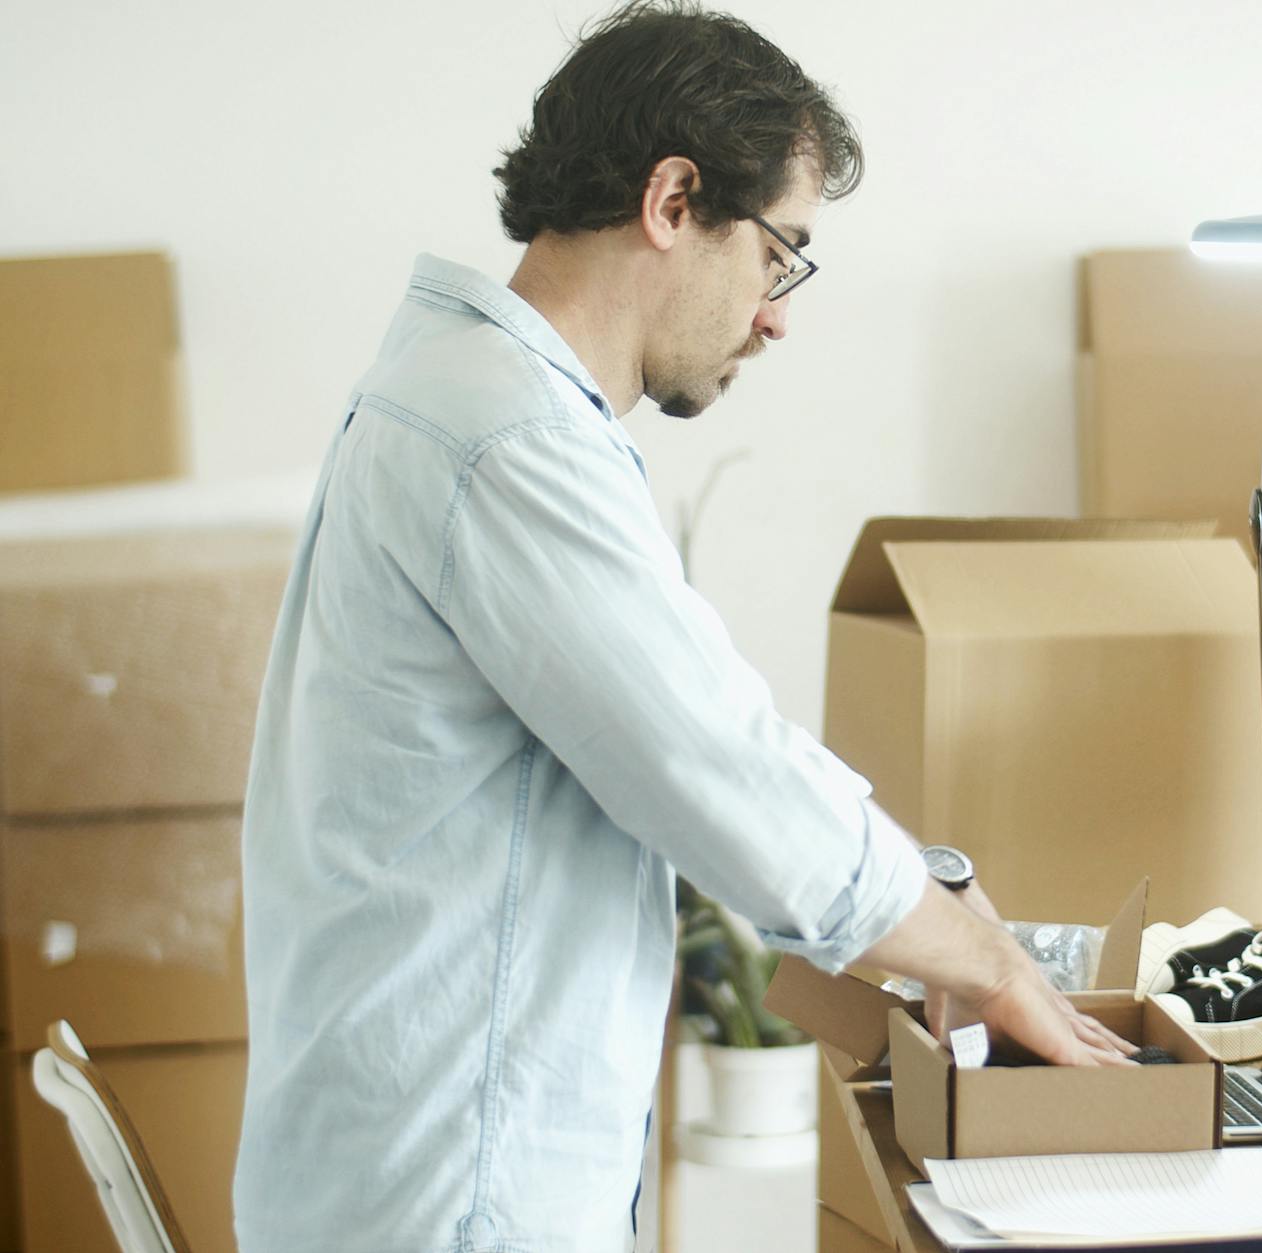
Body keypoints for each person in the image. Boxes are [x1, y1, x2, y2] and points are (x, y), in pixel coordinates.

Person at [233, 4, 1130, 1251]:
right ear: (672, 199)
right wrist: (988, 962)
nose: (776, 314)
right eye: (779, 254)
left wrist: (929, 895)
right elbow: (720, 773)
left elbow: (706, 726)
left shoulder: (478, 403)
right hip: (452, 1194)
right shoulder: (505, 440)